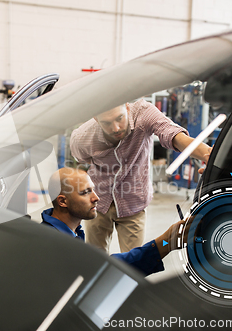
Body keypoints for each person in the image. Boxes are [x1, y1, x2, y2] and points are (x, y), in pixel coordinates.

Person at [70, 99, 210, 253]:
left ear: (127, 108)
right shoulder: (82, 138)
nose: (115, 128)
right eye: (107, 123)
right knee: (95, 258)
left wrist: (206, 154)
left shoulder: (143, 113)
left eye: (119, 118)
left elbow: (173, 135)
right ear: (96, 119)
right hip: (98, 201)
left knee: (134, 262)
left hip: (133, 203)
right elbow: (82, 160)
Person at [41, 167, 186, 277]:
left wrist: (168, 241)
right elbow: (105, 268)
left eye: (93, 190)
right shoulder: (54, 244)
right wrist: (167, 241)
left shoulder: (69, 232)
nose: (96, 198)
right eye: (85, 192)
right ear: (62, 201)